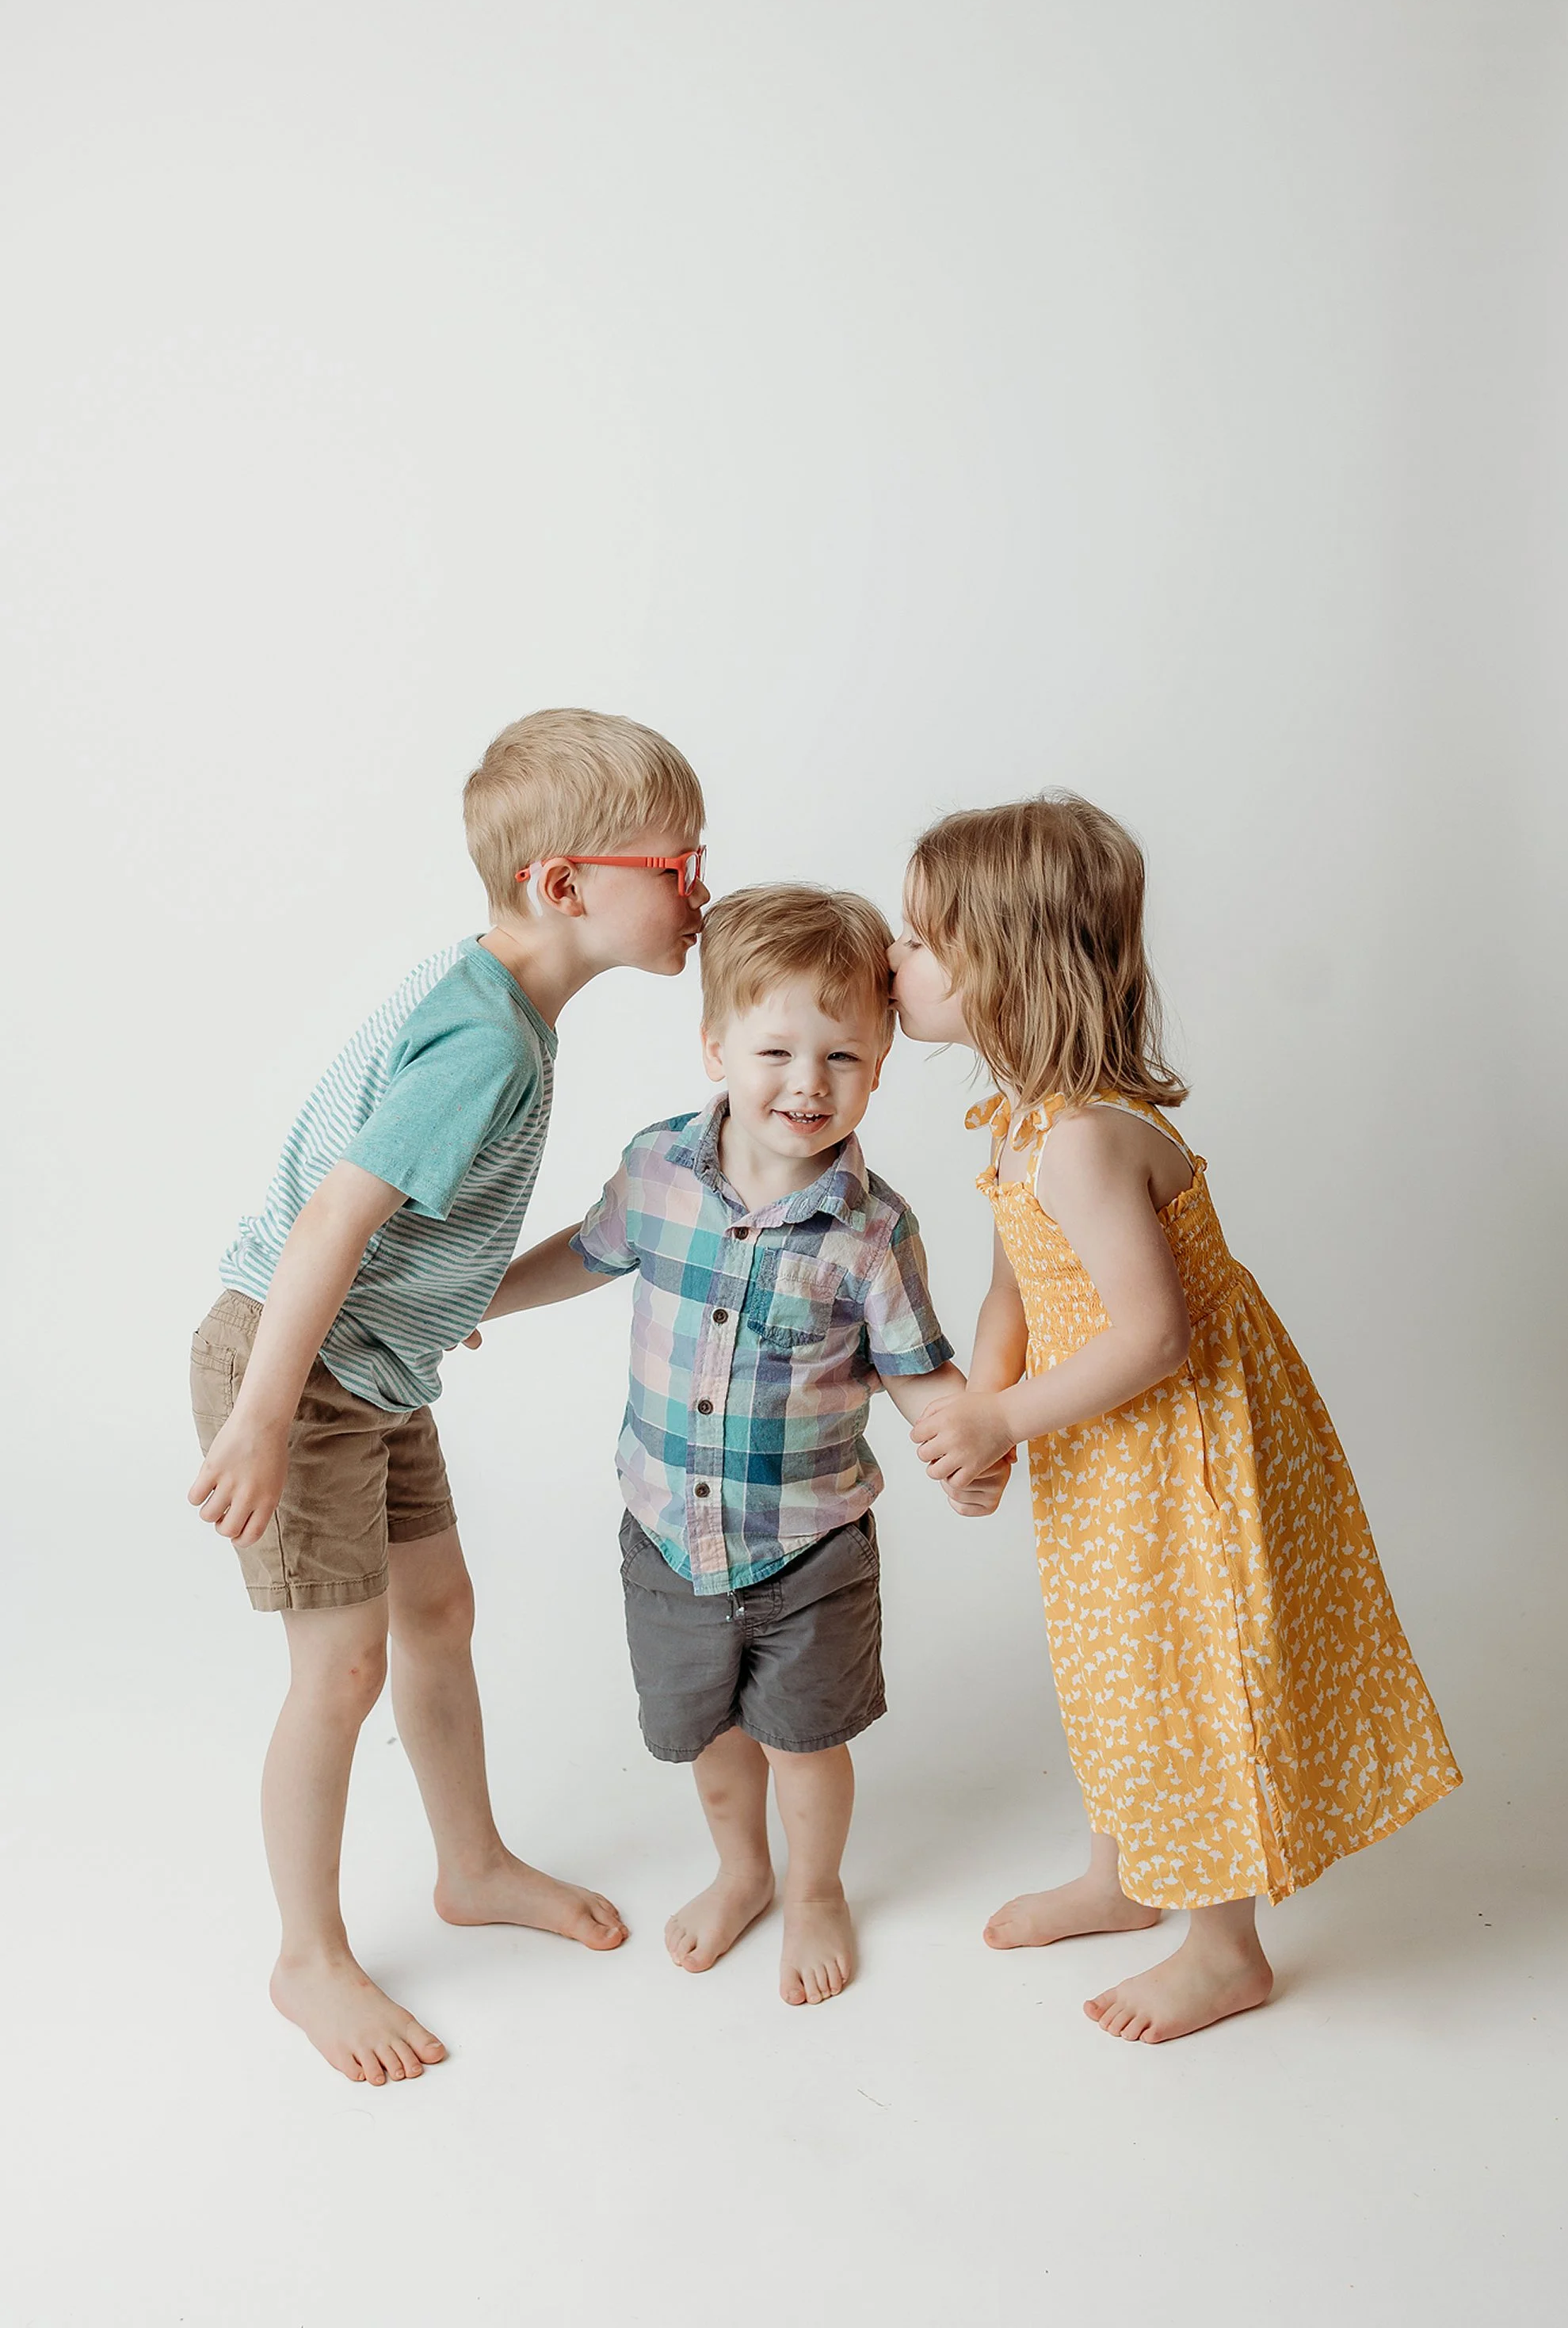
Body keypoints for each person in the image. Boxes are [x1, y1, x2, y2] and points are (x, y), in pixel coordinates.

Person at [187, 708, 709, 2085]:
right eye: (677, 863)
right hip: (301, 1375)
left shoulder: (505, 1007)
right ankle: (307, 1956)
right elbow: (331, 1227)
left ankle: (470, 1864)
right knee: (339, 1668)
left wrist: (450, 1305)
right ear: (566, 885)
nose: (698, 891)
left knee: (441, 1614)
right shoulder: (485, 1038)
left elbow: (417, 1230)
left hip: (375, 1370)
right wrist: (258, 1414)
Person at [891, 793, 1461, 2044]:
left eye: (922, 940)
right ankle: (1123, 1874)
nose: (893, 961)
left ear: (1010, 966)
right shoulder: (1020, 1120)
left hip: (1182, 1446)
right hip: (1106, 1439)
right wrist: (988, 1412)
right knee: (1113, 1659)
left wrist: (1008, 1423)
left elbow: (1154, 1334)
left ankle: (1225, 1948)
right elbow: (1010, 1290)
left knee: (1188, 1673)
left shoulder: (1087, 1142)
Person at [472, 884, 1004, 2005]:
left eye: (843, 1058)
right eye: (775, 1051)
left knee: (805, 1745)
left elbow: (918, 1373)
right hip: (667, 1535)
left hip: (811, 1547)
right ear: (715, 1044)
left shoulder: (873, 1231)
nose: (808, 1086)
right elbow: (590, 1251)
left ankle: (815, 1889)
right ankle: (742, 1871)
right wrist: (490, 1295)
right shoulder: (658, 1169)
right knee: (708, 1737)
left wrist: (970, 1447)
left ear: (879, 1066)